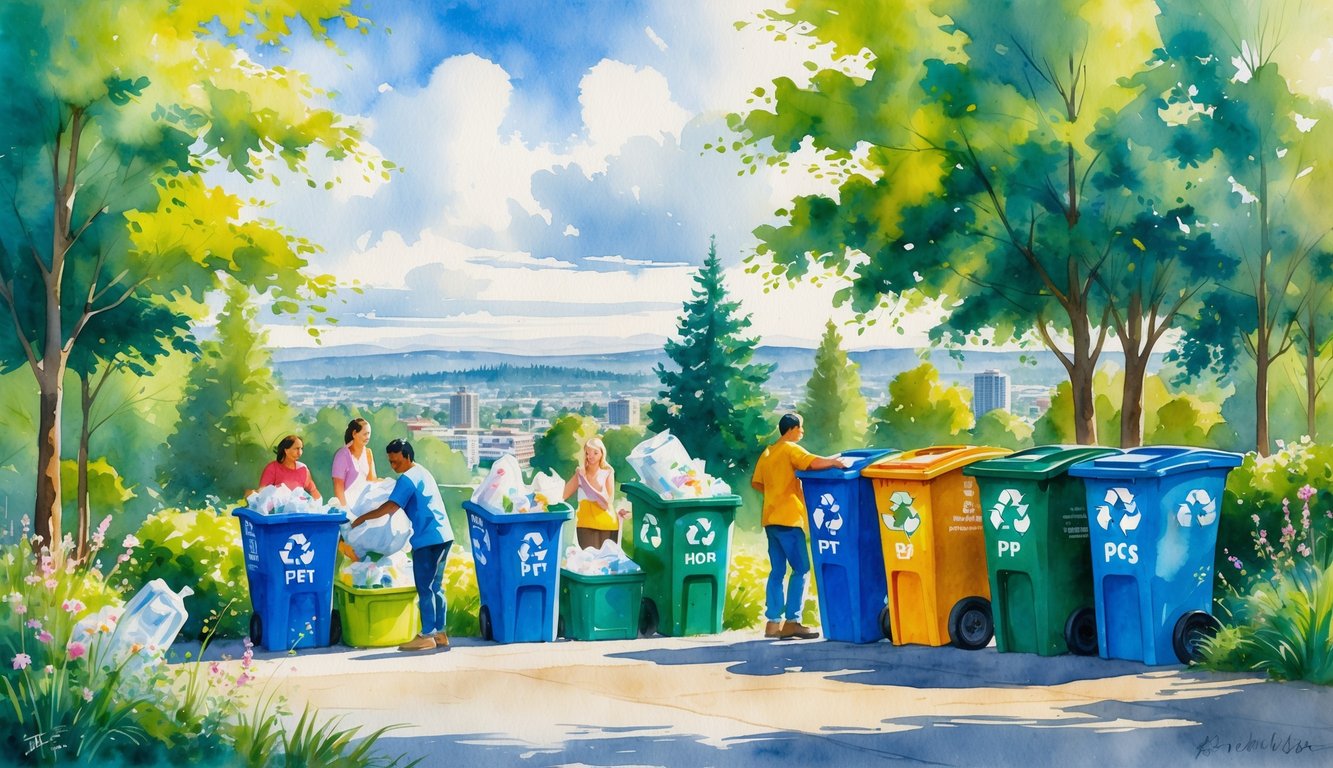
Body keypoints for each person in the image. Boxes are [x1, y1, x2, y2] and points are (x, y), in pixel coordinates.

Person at [350, 438, 455, 652]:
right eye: (390, 462)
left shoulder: (407, 479)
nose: (393, 466)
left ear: (407, 457)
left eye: (396, 462)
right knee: (436, 586)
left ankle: (426, 635)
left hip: (427, 539)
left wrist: (362, 519)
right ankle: (441, 633)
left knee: (424, 588)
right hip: (444, 534)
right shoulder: (423, 472)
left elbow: (390, 507)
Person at [750, 413, 848, 640]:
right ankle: (792, 621)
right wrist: (833, 462)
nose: (802, 432)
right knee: (802, 569)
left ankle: (772, 624)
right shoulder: (791, 449)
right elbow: (813, 462)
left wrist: (777, 492)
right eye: (801, 428)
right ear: (792, 429)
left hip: (771, 520)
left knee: (777, 571)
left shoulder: (768, 452)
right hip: (789, 520)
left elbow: (757, 483)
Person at [563, 436, 622, 549]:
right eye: (588, 453)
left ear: (601, 453)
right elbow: (563, 495)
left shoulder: (608, 472)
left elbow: (608, 501)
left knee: (607, 562)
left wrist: (584, 481)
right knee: (588, 561)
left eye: (595, 453)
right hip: (585, 523)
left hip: (608, 523)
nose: (591, 456)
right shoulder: (580, 473)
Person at [331, 418, 379, 507]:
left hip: (365, 502)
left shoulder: (368, 453)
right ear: (354, 434)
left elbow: (372, 480)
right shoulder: (342, 455)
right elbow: (338, 486)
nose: (368, 437)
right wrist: (345, 509)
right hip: (348, 503)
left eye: (369, 434)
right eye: (365, 434)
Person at [258, 435, 321, 499]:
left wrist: (317, 505)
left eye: (301, 449)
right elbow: (262, 492)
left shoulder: (303, 469)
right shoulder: (273, 468)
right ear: (286, 450)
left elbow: (313, 490)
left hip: (299, 507)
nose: (300, 453)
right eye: (297, 448)